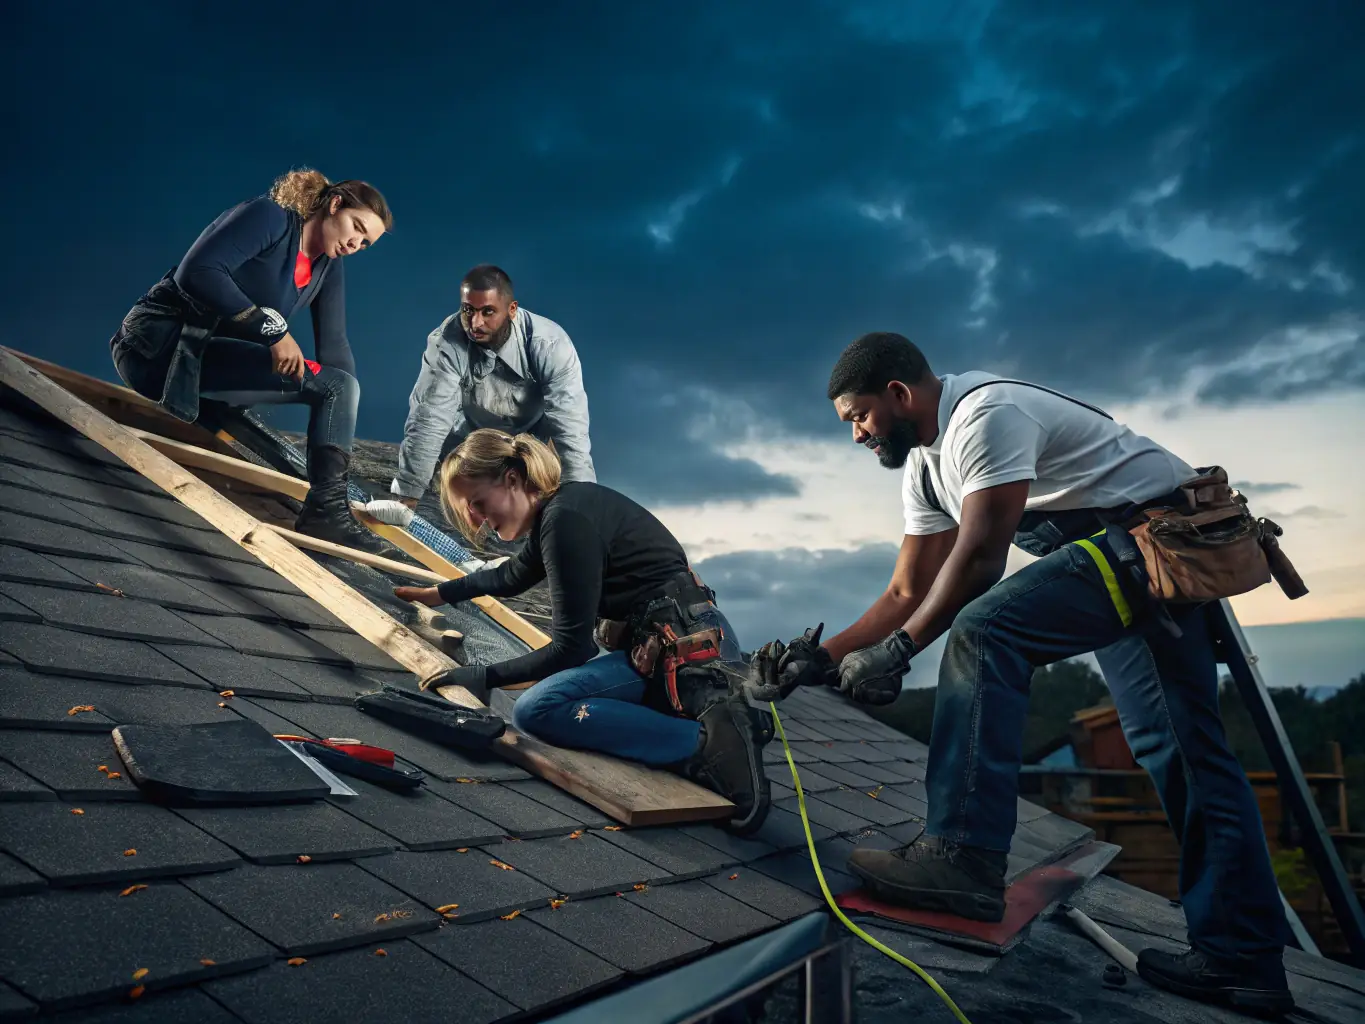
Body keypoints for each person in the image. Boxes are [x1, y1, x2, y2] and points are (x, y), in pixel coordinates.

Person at [754, 332, 1295, 1017]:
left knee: (987, 630)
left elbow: (979, 558)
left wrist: (899, 653)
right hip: (1122, 555)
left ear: (898, 394)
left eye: (858, 417)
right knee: (1177, 747)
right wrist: (818, 660)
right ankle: (1241, 959)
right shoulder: (926, 467)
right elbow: (903, 593)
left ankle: (962, 859)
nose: (856, 435)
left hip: (1158, 539)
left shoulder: (985, 415)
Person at [392, 427, 769, 834]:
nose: (476, 521)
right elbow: (510, 576)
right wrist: (438, 594)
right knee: (557, 703)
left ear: (513, 480)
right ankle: (709, 724)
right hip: (677, 647)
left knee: (537, 710)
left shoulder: (566, 521)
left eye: (478, 503)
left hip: (687, 653)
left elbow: (572, 649)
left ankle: (708, 742)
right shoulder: (562, 511)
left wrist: (486, 676)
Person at [108, 168, 395, 555]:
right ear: (334, 204)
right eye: (356, 227)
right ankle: (326, 515)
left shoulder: (328, 266)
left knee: (337, 386)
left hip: (210, 362)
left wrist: (340, 418)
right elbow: (198, 272)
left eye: (365, 242)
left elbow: (335, 347)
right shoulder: (271, 216)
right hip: (158, 349)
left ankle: (328, 509)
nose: (355, 243)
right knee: (330, 386)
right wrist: (272, 330)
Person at [387, 264, 596, 511]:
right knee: (462, 499)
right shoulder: (446, 343)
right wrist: (406, 498)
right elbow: (429, 417)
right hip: (468, 439)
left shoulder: (550, 345)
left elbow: (570, 426)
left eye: (488, 312)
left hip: (533, 440)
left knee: (544, 499)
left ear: (512, 310)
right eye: (468, 310)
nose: (475, 323)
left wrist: (583, 503)